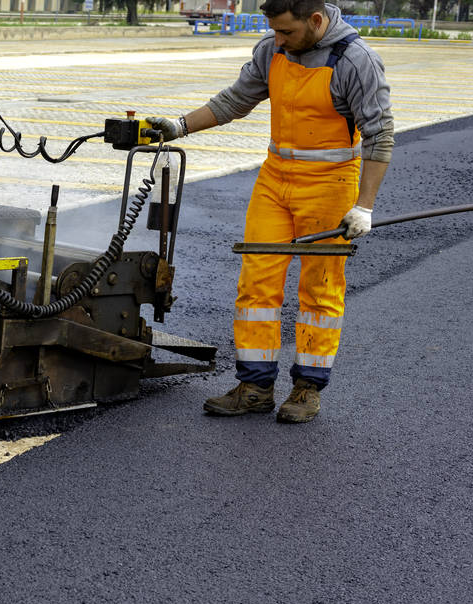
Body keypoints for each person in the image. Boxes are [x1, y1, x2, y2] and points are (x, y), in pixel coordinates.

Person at [148, 0, 393, 423]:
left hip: (330, 185)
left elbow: (379, 135)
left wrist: (364, 206)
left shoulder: (356, 61)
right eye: (275, 31)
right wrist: (179, 125)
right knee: (256, 282)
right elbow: (234, 101)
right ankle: (255, 386)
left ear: (315, 21)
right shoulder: (272, 50)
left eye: (286, 32)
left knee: (319, 290)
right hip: (275, 181)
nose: (278, 41)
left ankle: (306, 389)